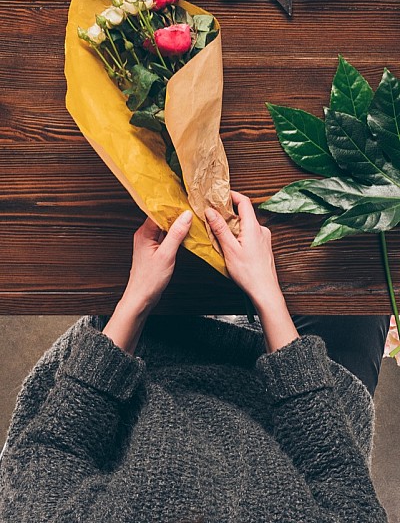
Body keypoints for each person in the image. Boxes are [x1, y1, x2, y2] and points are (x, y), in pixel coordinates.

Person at [0, 191, 390, 523]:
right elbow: (339, 476)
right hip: (307, 418)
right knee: (360, 238)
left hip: (145, 375)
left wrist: (137, 299)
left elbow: (53, 449)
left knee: (113, 213)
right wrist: (267, 294)